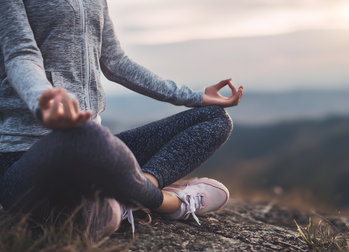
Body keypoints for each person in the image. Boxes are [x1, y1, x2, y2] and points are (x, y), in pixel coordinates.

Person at [0, 0, 243, 239]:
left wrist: (195, 97)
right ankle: (168, 203)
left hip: (94, 156)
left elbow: (115, 61)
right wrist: (45, 100)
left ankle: (129, 193)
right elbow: (21, 55)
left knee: (215, 118)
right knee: (85, 135)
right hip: (27, 161)